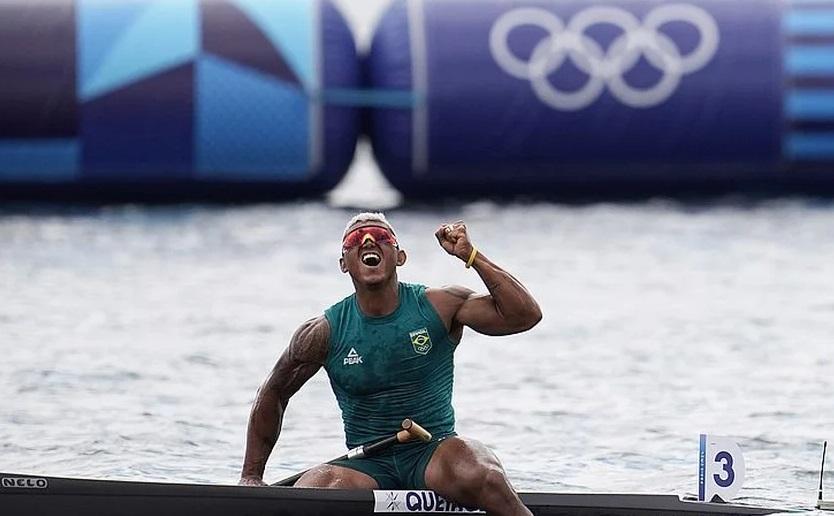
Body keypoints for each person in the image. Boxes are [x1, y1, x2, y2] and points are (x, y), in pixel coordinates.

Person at [239, 212, 542, 516]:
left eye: (380, 237)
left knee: (482, 473)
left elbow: (525, 315)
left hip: (434, 453)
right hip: (367, 465)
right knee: (314, 490)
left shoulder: (441, 305)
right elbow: (274, 392)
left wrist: (470, 255)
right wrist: (251, 476)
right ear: (344, 264)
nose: (368, 240)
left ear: (399, 256)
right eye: (356, 240)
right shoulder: (323, 332)